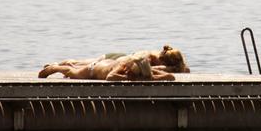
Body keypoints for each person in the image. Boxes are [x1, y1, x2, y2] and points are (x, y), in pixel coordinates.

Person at [42, 45, 190, 74]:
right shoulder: (148, 56)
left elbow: (184, 69)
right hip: (115, 58)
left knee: (82, 65)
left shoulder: (176, 63)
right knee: (78, 63)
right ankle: (58, 64)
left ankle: (59, 65)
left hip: (117, 61)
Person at [38, 53, 175, 81]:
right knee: (72, 72)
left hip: (105, 63)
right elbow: (110, 77)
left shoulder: (143, 72)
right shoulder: (123, 68)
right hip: (93, 70)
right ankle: (53, 68)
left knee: (75, 66)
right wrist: (128, 78)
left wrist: (152, 78)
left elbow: (171, 77)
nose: (135, 77)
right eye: (133, 74)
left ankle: (61, 64)